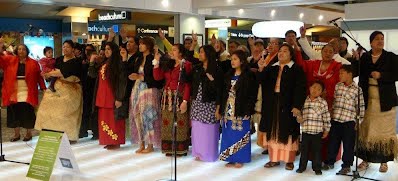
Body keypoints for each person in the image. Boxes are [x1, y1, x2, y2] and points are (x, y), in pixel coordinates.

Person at [354, 31, 398, 173]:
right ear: (371, 42)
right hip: (367, 101)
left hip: (385, 101)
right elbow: (355, 72)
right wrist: (356, 60)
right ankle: (365, 159)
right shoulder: (365, 57)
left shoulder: (391, 57)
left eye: (382, 39)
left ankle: (384, 162)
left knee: (384, 133)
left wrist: (382, 75)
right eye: (377, 39)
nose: (380, 41)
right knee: (366, 130)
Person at [258, 44, 306, 170]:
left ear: (291, 55)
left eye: (285, 51)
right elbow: (261, 81)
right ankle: (273, 159)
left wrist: (297, 106)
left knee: (288, 131)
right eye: (280, 51)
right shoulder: (271, 67)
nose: (281, 53)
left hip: (288, 104)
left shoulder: (296, 69)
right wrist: (261, 68)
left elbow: (300, 89)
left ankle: (289, 160)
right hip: (272, 104)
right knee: (273, 131)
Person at [35, 40, 83, 143]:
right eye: (63, 47)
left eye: (67, 47)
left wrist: (49, 74)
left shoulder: (76, 61)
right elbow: (54, 71)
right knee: (46, 106)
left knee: (64, 112)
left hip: (71, 88)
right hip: (57, 86)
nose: (65, 49)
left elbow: (63, 72)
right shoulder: (59, 59)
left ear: (73, 49)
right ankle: (51, 132)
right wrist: (48, 74)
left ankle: (68, 136)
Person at [322, 65, 365, 174]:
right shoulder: (338, 86)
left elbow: (360, 107)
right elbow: (335, 100)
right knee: (333, 142)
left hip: (349, 121)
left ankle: (346, 165)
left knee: (348, 145)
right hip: (336, 119)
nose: (339, 75)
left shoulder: (357, 89)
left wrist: (358, 121)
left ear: (350, 74)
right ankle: (329, 162)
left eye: (342, 73)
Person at [219, 50, 258, 168]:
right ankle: (230, 157)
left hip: (242, 108)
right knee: (229, 133)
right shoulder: (228, 75)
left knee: (240, 133)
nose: (232, 61)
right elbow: (222, 93)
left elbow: (252, 94)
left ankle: (240, 158)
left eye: (235, 59)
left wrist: (249, 109)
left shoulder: (248, 75)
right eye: (231, 59)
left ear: (241, 61)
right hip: (228, 108)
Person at [153, 43, 192, 156]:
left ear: (180, 53)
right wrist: (156, 63)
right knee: (167, 122)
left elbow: (187, 84)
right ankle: (168, 147)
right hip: (167, 96)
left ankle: (180, 149)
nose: (172, 52)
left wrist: (185, 101)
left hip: (179, 95)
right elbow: (158, 77)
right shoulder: (168, 64)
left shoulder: (186, 64)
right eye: (171, 50)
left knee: (180, 122)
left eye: (174, 50)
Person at [0, 44, 46, 142]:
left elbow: (39, 77)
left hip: (27, 91)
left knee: (27, 113)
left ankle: (28, 134)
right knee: (14, 113)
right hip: (12, 91)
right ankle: (16, 134)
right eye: (19, 49)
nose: (21, 51)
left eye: (23, 49)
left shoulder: (34, 63)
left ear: (27, 51)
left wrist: (43, 88)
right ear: (16, 51)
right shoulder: (9, 60)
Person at [88, 42, 127, 149]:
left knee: (114, 120)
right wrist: (91, 62)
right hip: (102, 96)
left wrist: (119, 98)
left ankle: (116, 141)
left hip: (112, 96)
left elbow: (122, 81)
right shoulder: (104, 63)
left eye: (109, 49)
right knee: (104, 120)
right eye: (105, 49)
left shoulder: (117, 64)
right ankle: (109, 141)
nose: (106, 51)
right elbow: (92, 74)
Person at [129, 37, 163, 153]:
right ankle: (141, 143)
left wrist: (140, 77)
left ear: (148, 46)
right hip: (137, 88)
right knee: (137, 115)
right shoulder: (138, 58)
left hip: (148, 90)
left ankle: (150, 144)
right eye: (140, 44)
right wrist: (134, 76)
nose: (140, 46)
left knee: (148, 116)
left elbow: (156, 79)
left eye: (142, 44)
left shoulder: (153, 58)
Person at [191, 45, 223, 162]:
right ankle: (198, 153)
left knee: (208, 129)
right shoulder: (197, 68)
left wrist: (219, 108)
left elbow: (220, 90)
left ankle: (209, 154)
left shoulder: (217, 69)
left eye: (202, 52)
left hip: (209, 103)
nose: (199, 55)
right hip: (197, 102)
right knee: (197, 128)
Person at [296, 81, 331, 175]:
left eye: (319, 89)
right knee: (304, 151)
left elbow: (326, 116)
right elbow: (299, 115)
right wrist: (299, 118)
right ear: (310, 88)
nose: (315, 90)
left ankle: (317, 168)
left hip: (317, 132)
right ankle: (302, 167)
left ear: (322, 92)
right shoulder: (304, 101)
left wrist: (327, 130)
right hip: (306, 131)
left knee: (317, 152)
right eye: (314, 87)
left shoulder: (322, 102)